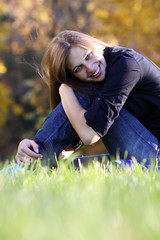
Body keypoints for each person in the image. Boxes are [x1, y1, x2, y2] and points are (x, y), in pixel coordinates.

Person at [16, 30, 160, 169]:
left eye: (88, 56)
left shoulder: (126, 65)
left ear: (94, 45)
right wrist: (29, 146)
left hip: (155, 158)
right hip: (147, 151)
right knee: (67, 169)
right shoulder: (99, 80)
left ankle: (26, 166)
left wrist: (65, 90)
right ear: (73, 75)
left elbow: (89, 136)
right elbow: (64, 152)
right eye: (78, 69)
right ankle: (28, 162)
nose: (90, 68)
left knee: (83, 93)